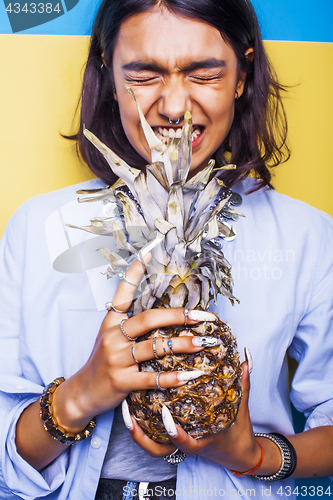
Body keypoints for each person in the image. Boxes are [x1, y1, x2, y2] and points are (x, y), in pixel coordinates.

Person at [1, 0, 333, 498]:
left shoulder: (307, 237)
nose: (175, 108)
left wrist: (254, 454)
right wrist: (79, 396)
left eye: (204, 74)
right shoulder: (37, 226)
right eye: (143, 73)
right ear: (109, 75)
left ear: (242, 76)